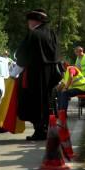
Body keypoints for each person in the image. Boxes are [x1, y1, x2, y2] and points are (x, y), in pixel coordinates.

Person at [15, 9, 60, 141]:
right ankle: (46, 129)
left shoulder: (33, 34)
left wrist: (14, 74)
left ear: (35, 21)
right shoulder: (52, 34)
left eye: (29, 21)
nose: (28, 23)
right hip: (50, 75)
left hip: (35, 75)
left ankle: (40, 131)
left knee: (33, 103)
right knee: (47, 102)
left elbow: (22, 56)